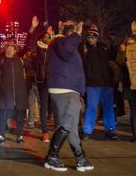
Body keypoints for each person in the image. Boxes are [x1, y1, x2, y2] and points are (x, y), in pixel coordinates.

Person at [44, 21, 94, 172]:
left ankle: (81, 158)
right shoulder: (61, 42)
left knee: (71, 127)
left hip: (66, 89)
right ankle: (52, 157)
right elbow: (66, 47)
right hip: (66, 89)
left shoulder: (61, 44)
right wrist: (77, 34)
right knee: (66, 125)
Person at [81, 25, 119, 140]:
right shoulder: (84, 49)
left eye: (93, 36)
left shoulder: (104, 47)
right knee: (91, 107)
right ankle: (87, 131)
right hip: (92, 84)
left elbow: (114, 57)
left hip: (107, 84)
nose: (91, 39)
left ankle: (110, 130)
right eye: (89, 36)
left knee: (108, 108)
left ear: (97, 37)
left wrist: (113, 43)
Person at [0, 42, 30, 144]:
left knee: (20, 117)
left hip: (19, 95)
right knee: (3, 116)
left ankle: (19, 136)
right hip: (6, 95)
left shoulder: (20, 60)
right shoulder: (2, 60)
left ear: (15, 50)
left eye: (12, 49)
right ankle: (1, 136)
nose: (9, 50)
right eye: (8, 48)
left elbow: (33, 65)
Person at [28, 16, 53, 142]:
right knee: (43, 106)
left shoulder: (53, 49)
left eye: (48, 37)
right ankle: (45, 132)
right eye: (45, 37)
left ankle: (61, 129)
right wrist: (33, 27)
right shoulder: (36, 50)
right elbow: (30, 41)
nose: (46, 39)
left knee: (55, 105)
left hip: (54, 81)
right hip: (42, 81)